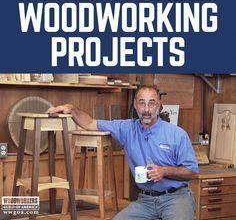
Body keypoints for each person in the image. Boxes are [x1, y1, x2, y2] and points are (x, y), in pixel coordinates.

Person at [48, 85, 198, 220]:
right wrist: (72, 109)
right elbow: (90, 123)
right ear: (135, 105)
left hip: (176, 197)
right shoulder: (126, 128)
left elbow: (192, 172)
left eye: (152, 103)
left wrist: (164, 171)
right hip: (146, 200)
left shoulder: (177, 134)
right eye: (142, 103)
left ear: (159, 106)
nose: (146, 109)